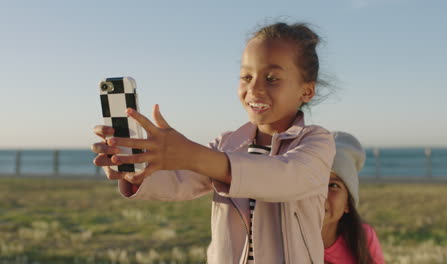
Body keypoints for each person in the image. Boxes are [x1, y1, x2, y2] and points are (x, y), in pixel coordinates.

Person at [92, 22, 336, 264]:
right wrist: (132, 166)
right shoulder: (228, 143)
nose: (254, 88)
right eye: (246, 76)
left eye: (272, 78)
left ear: (306, 92)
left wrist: (191, 155)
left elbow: (285, 178)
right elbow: (179, 182)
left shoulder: (317, 141)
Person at [322, 131, 385, 264]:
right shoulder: (286, 234)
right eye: (316, 182)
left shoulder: (364, 237)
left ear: (347, 203)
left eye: (333, 185)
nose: (321, 193)